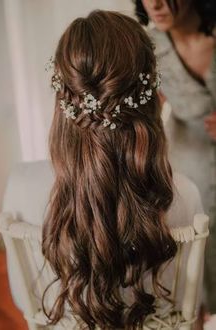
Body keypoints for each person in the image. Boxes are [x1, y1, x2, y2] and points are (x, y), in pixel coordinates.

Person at [40, 10, 204, 329]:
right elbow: (187, 306)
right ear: (152, 99)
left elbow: (25, 300)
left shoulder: (20, 186)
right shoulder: (183, 193)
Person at [133, 0, 216, 316]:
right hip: (188, 171)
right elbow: (142, 114)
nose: (154, 3)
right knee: (194, 262)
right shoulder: (148, 48)